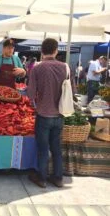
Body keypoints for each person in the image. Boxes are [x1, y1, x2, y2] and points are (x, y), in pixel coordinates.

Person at [27, 38, 74, 189]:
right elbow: (72, 90)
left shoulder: (37, 68)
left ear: (41, 51)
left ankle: (42, 178)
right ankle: (58, 178)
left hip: (43, 115)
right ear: (56, 51)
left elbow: (30, 94)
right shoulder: (65, 67)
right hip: (60, 115)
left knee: (43, 148)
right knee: (56, 148)